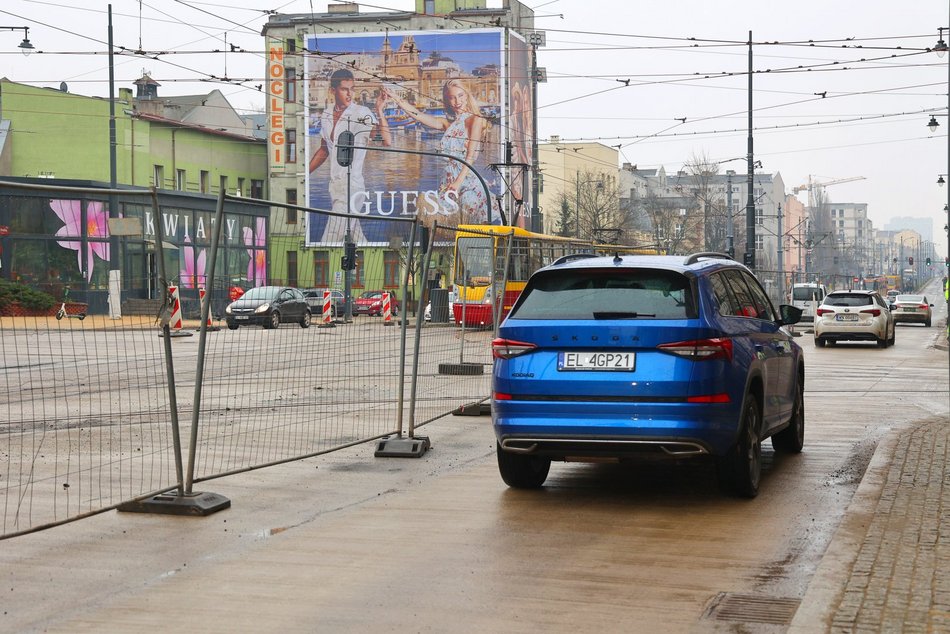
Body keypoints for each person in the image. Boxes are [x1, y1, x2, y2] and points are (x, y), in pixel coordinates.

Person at [385, 79, 489, 223]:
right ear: (447, 101)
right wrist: (396, 98)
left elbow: (470, 156)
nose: (457, 101)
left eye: (460, 96)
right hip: (447, 180)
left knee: (470, 226)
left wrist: (458, 183)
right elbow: (418, 115)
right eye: (452, 98)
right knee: (449, 227)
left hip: (466, 180)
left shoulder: (476, 119)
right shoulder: (448, 124)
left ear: (466, 96)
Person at [309, 68, 391, 243]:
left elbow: (386, 140)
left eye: (352, 89)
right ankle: (371, 267)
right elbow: (324, 149)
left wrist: (380, 111)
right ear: (333, 90)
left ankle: (318, 270)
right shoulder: (326, 114)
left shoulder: (361, 113)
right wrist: (303, 173)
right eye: (345, 89)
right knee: (358, 240)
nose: (350, 94)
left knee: (329, 239)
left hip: (352, 187)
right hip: (335, 186)